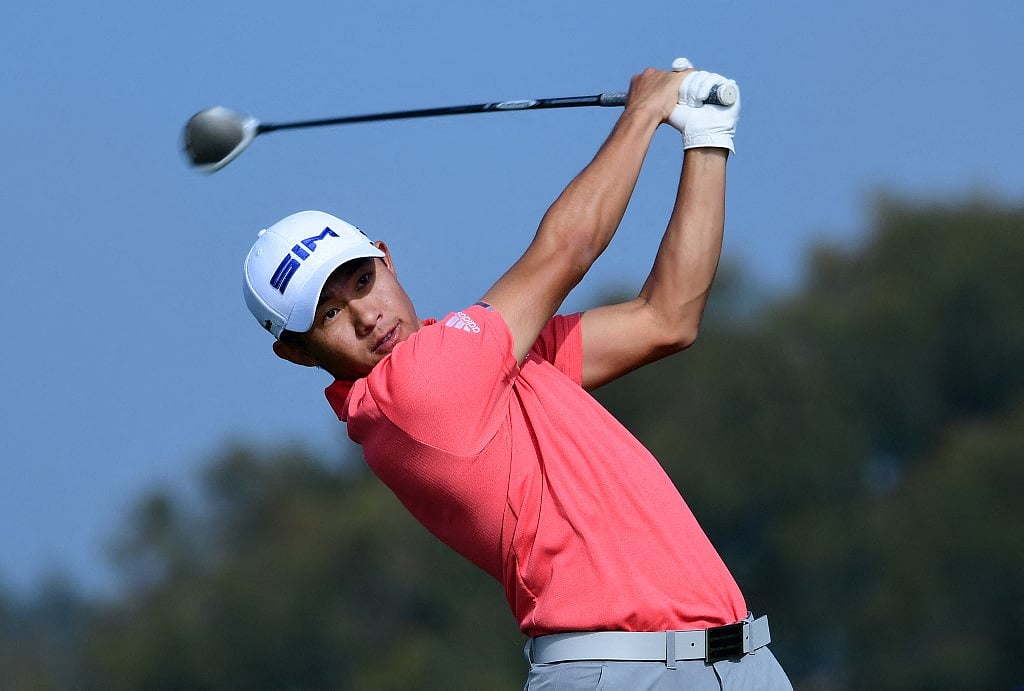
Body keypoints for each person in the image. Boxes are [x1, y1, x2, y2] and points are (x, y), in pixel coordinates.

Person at [242, 58, 792, 690]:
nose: (367, 316)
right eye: (330, 313)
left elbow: (666, 319)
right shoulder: (413, 391)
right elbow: (566, 251)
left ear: (387, 260)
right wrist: (645, 110)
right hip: (619, 674)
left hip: (741, 660)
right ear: (297, 352)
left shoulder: (488, 361)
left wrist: (706, 138)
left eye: (364, 280)